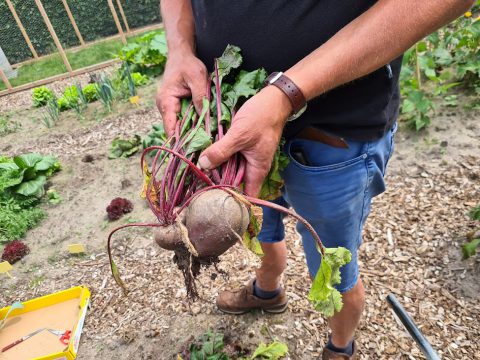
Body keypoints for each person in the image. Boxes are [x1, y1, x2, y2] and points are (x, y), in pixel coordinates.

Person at [156, 1, 473, 359]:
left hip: (333, 132)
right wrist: (179, 48)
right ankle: (267, 290)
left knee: (334, 264)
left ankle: (341, 347)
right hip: (233, 122)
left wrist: (287, 92)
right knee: (257, 222)